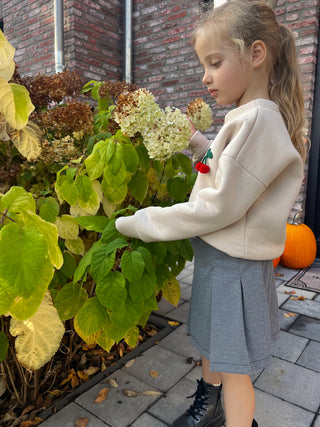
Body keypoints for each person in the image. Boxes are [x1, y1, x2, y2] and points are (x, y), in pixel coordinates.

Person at [115, 1, 306, 426]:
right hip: (222, 261)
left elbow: (220, 204)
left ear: (256, 55)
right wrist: (200, 142)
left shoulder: (257, 120)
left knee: (235, 367)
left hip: (233, 267)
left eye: (214, 63)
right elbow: (228, 170)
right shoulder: (247, 117)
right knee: (214, 347)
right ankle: (210, 404)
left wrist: (146, 222)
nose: (205, 76)